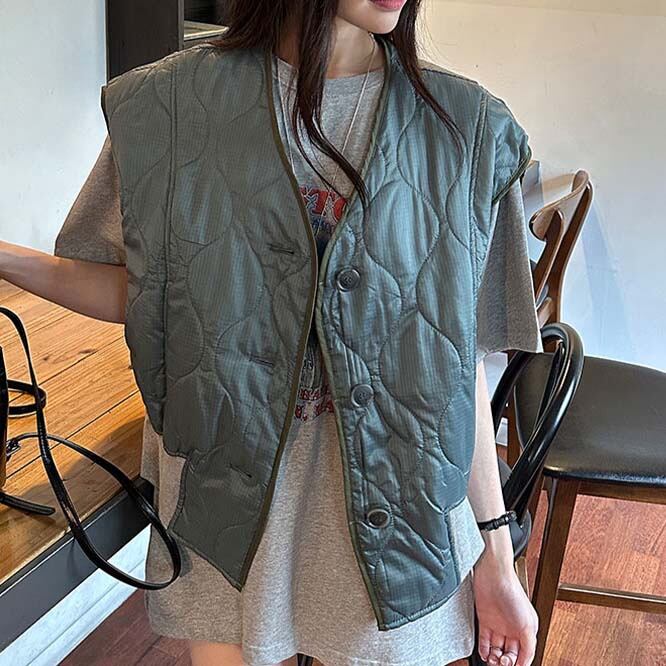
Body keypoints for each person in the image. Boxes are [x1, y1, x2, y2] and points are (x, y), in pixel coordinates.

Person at [2, 1, 543, 665]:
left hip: (403, 517)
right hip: (227, 508)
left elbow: (463, 367)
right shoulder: (168, 107)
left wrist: (496, 558)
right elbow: (144, 291)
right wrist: (7, 258)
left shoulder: (468, 129)